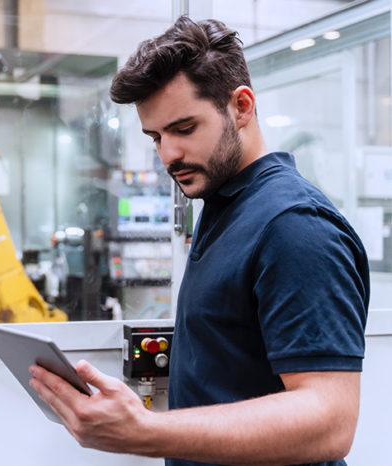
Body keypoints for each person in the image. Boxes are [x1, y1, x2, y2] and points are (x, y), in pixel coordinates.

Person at [29, 16, 369, 466]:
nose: (167, 155)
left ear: (242, 107)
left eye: (184, 129)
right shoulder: (225, 202)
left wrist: (145, 431)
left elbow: (329, 421)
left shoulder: (293, 227)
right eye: (156, 137)